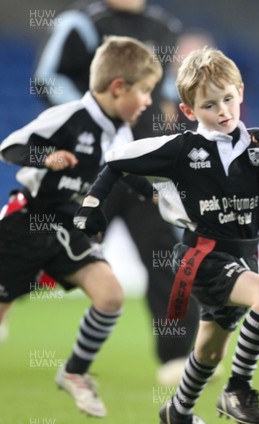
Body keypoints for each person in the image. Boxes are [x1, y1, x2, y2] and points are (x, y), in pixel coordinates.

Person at [73, 47, 259, 424]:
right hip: (201, 256)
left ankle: (177, 411)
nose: (222, 110)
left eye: (228, 98)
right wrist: (92, 204)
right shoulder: (180, 149)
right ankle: (238, 390)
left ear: (240, 92)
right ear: (189, 111)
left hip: (244, 256)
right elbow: (116, 160)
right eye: (208, 105)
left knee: (209, 351)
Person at [33, 0, 199, 385]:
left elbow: (169, 83)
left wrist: (173, 103)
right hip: (93, 168)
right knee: (53, 251)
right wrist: (92, 114)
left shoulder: (164, 25)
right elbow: (47, 77)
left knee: (167, 260)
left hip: (146, 169)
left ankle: (176, 358)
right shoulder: (80, 22)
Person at [0, 35, 162, 417]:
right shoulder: (69, 115)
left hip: (68, 228)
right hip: (26, 225)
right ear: (119, 87)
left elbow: (124, 173)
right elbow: (9, 148)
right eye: (146, 91)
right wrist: (46, 155)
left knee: (111, 296)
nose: (149, 102)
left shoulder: (120, 132)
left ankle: (74, 372)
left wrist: (158, 196)